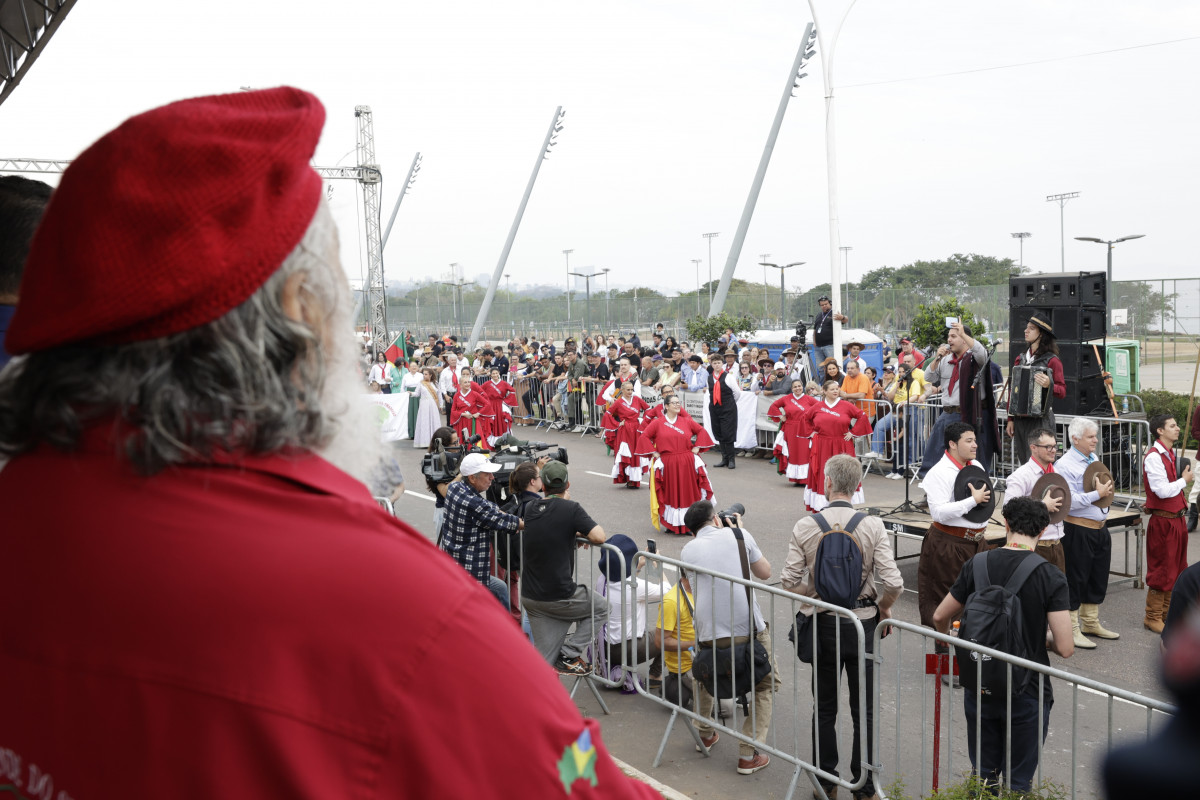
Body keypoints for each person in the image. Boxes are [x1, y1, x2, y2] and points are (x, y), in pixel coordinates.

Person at [0, 88, 656, 799]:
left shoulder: (22, 507)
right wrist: (576, 746)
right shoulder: (408, 615)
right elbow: (570, 776)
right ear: (301, 310)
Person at [782, 454, 904, 800]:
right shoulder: (872, 525)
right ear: (857, 486)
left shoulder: (806, 525)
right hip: (862, 623)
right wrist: (883, 607)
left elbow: (788, 580)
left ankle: (826, 781)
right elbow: (893, 581)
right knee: (863, 708)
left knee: (825, 706)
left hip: (823, 625)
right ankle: (864, 786)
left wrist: (815, 595)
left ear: (828, 483)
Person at [932, 496, 1073, 794]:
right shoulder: (1050, 575)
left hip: (981, 683)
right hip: (1027, 688)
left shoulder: (978, 563)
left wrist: (953, 641)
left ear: (1006, 524)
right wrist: (1038, 636)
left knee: (983, 776)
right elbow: (1065, 646)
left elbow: (939, 615)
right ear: (1044, 530)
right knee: (1018, 783)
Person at [681, 501, 780, 776]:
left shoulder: (688, 549)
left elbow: (689, 583)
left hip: (708, 631)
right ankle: (748, 754)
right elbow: (765, 572)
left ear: (691, 531)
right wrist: (739, 532)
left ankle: (704, 733)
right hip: (748, 629)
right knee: (765, 684)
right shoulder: (739, 536)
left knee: (705, 676)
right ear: (716, 519)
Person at [520, 460, 611, 676]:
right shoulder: (571, 509)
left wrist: (572, 532)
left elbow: (550, 525)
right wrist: (577, 529)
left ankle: (537, 704)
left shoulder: (531, 508)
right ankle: (569, 653)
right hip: (558, 595)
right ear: (567, 485)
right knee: (601, 608)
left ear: (543, 486)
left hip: (531, 597)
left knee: (544, 663)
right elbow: (599, 536)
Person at [916, 421, 994, 635]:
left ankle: (968, 663)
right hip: (948, 545)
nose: (975, 445)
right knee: (944, 607)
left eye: (975, 440)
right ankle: (941, 666)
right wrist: (973, 501)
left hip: (977, 543)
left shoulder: (976, 466)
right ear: (952, 444)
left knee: (975, 602)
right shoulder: (938, 473)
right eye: (968, 441)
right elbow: (939, 512)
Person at [1056, 416, 1119, 647]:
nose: (1095, 440)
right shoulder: (1065, 465)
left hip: (1099, 528)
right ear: (1075, 438)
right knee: (1076, 578)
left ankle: (1090, 622)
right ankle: (1072, 628)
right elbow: (1067, 502)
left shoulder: (1092, 458)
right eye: (1090, 436)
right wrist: (1097, 494)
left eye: (1095, 435)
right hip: (1078, 528)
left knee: (1097, 576)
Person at [441, 453, 524, 608]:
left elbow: (491, 511)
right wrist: (535, 522)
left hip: (454, 569)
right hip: (471, 576)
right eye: (487, 474)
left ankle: (503, 627)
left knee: (500, 588)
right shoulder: (474, 504)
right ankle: (500, 629)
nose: (492, 477)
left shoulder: (454, 488)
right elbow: (507, 521)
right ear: (472, 478)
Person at [919, 320, 998, 478]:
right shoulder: (945, 360)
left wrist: (962, 333)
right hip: (947, 414)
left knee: (970, 457)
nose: (949, 340)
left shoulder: (974, 359)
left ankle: (975, 489)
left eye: (954, 336)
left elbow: (982, 353)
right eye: (949, 336)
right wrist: (937, 358)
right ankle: (931, 491)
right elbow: (928, 376)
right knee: (935, 453)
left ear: (964, 339)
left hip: (968, 414)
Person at [1142, 414, 1193, 633]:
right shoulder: (1154, 457)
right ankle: (1152, 616)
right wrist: (1184, 481)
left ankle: (1165, 614)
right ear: (1159, 431)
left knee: (1177, 567)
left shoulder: (1169, 453)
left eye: (1177, 424)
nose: (1178, 428)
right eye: (1172, 426)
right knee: (1162, 568)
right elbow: (1161, 491)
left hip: (1176, 519)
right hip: (1163, 521)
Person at [638, 393, 716, 534]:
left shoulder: (686, 421)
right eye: (673, 403)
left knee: (688, 493)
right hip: (668, 463)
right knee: (670, 493)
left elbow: (701, 431)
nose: (677, 405)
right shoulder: (657, 423)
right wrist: (653, 452)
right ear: (666, 406)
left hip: (687, 462)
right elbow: (644, 436)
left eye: (678, 402)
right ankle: (672, 523)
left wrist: (697, 446)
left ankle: (689, 524)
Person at [595, 534, 665, 691]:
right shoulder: (636, 586)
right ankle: (655, 674)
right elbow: (668, 592)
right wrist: (658, 565)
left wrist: (638, 566)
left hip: (605, 647)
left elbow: (625, 582)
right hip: (627, 648)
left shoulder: (602, 580)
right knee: (669, 632)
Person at [1002, 428, 1068, 577]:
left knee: (1057, 594)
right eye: (1048, 447)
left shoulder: (1056, 473)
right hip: (1033, 546)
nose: (1053, 451)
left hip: (1057, 544)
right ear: (1033, 448)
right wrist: (1042, 506)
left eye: (1055, 446)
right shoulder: (1021, 476)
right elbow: (1008, 510)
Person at [802, 380, 872, 512]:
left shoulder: (846, 405)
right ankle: (823, 505)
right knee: (824, 473)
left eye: (837, 389)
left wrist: (853, 432)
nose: (836, 391)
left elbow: (862, 416)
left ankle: (847, 503)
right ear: (824, 391)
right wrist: (811, 433)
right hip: (822, 444)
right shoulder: (818, 406)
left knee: (846, 472)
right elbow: (806, 418)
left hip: (842, 443)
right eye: (832, 389)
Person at [1006, 312, 1066, 464]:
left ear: (1042, 334)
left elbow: (1063, 391)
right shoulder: (1020, 359)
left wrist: (1049, 385)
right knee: (1025, 462)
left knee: (1042, 462)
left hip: (1041, 420)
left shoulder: (1052, 360)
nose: (1026, 331)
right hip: (1020, 419)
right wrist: (1010, 418)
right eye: (1027, 328)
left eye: (1031, 328)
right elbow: (1013, 391)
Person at [655, 573, 697, 709]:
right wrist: (695, 645)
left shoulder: (704, 590)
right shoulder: (672, 601)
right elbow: (660, 642)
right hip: (688, 667)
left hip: (707, 659)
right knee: (725, 708)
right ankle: (674, 684)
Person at [767, 379, 817, 486]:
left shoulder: (809, 399)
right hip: (790, 429)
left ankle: (805, 478)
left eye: (799, 386)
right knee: (793, 453)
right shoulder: (786, 398)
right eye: (795, 387)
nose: (797, 388)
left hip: (805, 429)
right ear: (791, 388)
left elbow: (820, 409)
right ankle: (795, 478)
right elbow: (773, 406)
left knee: (805, 453)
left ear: (802, 386)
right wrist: (781, 416)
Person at [609, 380, 649, 488]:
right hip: (625, 431)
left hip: (636, 429)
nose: (630, 392)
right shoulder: (618, 402)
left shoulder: (636, 399)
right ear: (622, 390)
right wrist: (617, 423)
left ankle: (635, 479)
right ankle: (628, 478)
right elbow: (608, 413)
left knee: (637, 453)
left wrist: (644, 421)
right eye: (628, 390)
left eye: (632, 389)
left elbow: (648, 409)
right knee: (627, 453)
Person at [708, 352, 742, 470]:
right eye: (714, 363)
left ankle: (731, 459)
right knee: (719, 433)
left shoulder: (728, 376)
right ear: (711, 364)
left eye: (718, 363)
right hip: (715, 408)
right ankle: (724, 459)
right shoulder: (710, 377)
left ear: (722, 364)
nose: (717, 365)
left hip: (727, 408)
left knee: (728, 434)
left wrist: (730, 404)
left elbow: (737, 393)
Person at [425, 426, 459, 538]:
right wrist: (462, 474)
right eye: (455, 443)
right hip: (445, 512)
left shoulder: (456, 457)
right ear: (442, 446)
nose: (458, 445)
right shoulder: (436, 462)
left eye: (458, 441)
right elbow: (445, 492)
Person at [450, 365, 492, 447]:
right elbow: (453, 411)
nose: (468, 384)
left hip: (472, 422)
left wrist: (478, 413)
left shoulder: (475, 394)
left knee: (474, 443)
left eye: (468, 382)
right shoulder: (457, 395)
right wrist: (462, 414)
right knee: (461, 443)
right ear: (460, 385)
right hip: (461, 422)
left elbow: (487, 404)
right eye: (465, 382)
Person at [812, 294, 849, 365]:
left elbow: (845, 320)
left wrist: (843, 317)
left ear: (830, 303)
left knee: (832, 365)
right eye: (822, 305)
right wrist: (814, 341)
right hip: (818, 347)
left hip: (829, 345)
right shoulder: (819, 315)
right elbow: (815, 329)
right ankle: (822, 377)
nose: (824, 306)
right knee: (820, 367)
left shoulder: (834, 313)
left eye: (826, 304)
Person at [412, 367, 443, 447]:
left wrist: (441, 405)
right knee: (425, 422)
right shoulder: (421, 383)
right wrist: (410, 393)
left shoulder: (435, 383)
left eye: (426, 374)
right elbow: (416, 393)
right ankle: (424, 442)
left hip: (433, 404)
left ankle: (434, 442)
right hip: (424, 405)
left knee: (433, 421)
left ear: (430, 375)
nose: (424, 376)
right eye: (423, 374)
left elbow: (439, 394)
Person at [438, 351, 460, 417]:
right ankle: (449, 427)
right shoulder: (444, 371)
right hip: (449, 395)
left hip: (459, 394)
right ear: (448, 361)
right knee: (449, 414)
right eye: (452, 360)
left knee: (459, 413)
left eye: (455, 360)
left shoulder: (460, 369)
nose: (453, 361)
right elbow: (442, 384)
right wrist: (445, 395)